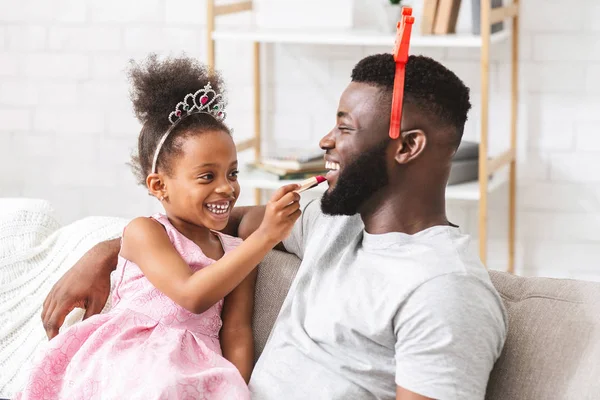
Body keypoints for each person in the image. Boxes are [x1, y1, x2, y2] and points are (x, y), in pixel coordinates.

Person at [41, 53, 508, 400]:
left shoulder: (446, 290)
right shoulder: (330, 220)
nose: (325, 140)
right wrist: (106, 251)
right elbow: (208, 230)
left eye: (345, 128)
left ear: (407, 147)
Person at [17, 55, 302, 400]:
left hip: (198, 368)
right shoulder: (145, 233)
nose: (226, 188)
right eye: (207, 176)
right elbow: (192, 294)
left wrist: (238, 388)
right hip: (130, 358)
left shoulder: (237, 254)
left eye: (232, 173)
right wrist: (266, 236)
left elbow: (238, 333)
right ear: (159, 186)